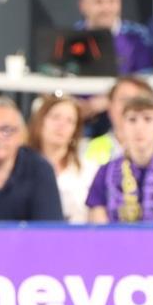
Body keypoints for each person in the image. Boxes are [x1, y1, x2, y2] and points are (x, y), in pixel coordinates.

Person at [86, 94, 153, 224]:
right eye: (132, 120)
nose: (139, 127)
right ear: (122, 125)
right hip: (118, 243)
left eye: (148, 119)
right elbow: (98, 224)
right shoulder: (106, 172)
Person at [27, 93, 93, 223]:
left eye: (70, 121)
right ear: (40, 122)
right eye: (55, 117)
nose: (61, 125)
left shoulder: (89, 171)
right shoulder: (21, 167)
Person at [83, 77, 153, 167]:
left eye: (137, 100)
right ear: (109, 106)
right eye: (124, 99)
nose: (130, 106)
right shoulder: (90, 150)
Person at [75, 0, 153, 75]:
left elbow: (146, 83)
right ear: (82, 5)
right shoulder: (71, 38)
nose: (106, 8)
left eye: (112, 1)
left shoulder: (139, 37)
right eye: (98, 2)